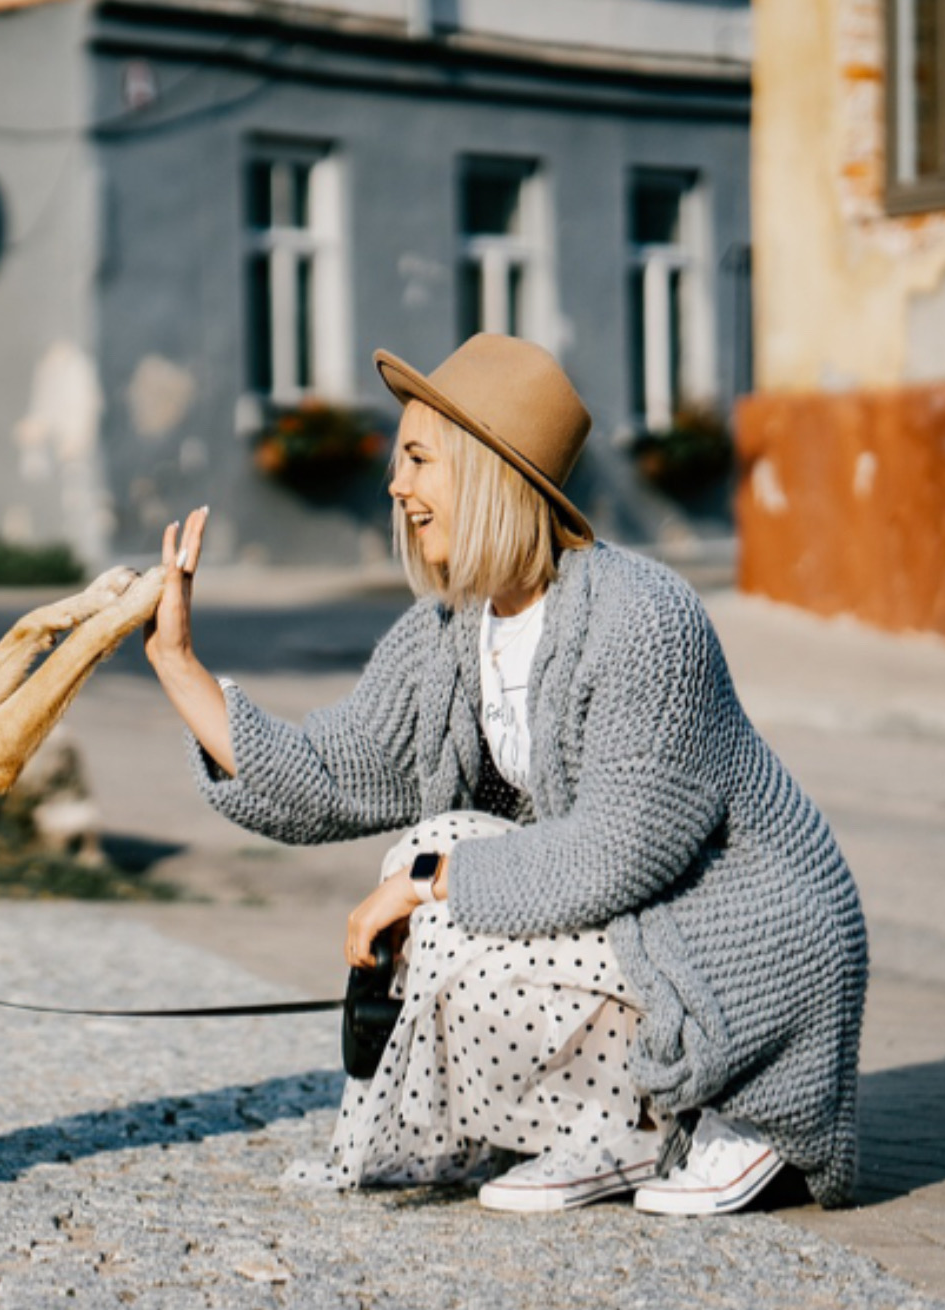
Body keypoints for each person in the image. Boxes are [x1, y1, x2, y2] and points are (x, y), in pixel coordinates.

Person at [142, 334, 867, 1215]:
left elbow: (617, 853)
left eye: (417, 459)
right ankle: (604, 1129)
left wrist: (425, 887)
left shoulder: (645, 620)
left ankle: (710, 1112)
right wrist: (180, 665)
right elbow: (332, 773)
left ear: (487, 470)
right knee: (432, 851)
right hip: (636, 933)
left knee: (437, 880)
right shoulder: (451, 631)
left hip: (745, 952)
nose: (395, 486)